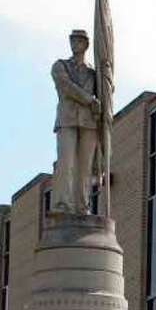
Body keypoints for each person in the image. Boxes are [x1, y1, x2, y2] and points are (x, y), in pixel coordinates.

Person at [51, 29, 101, 214]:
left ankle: (82, 205)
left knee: (85, 166)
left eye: (79, 41)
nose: (74, 44)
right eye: (72, 40)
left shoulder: (93, 73)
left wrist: (107, 75)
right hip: (68, 120)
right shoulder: (60, 66)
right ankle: (63, 204)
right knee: (67, 162)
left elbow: (104, 93)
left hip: (89, 123)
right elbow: (66, 87)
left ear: (86, 45)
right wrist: (89, 100)